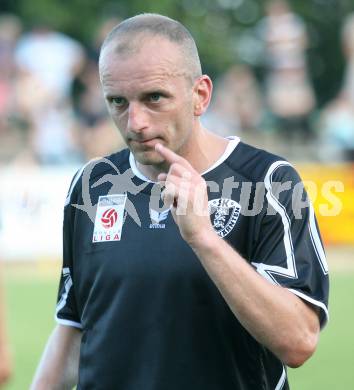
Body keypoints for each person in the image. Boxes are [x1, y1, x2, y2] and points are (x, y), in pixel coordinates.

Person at [31, 13, 329, 389]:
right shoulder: (92, 185)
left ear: (200, 95)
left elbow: (299, 341)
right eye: (118, 101)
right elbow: (74, 330)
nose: (135, 121)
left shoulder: (267, 181)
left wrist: (204, 238)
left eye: (154, 97)